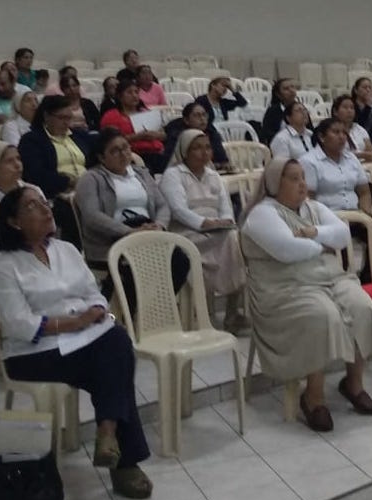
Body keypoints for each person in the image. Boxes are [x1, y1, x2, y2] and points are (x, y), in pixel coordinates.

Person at [0, 186, 152, 499]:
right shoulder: (4, 267)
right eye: (34, 205)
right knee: (115, 361)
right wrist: (73, 322)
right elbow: (19, 324)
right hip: (33, 353)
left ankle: (109, 436)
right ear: (14, 221)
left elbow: (93, 292)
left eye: (45, 202)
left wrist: (98, 310)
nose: (47, 209)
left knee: (116, 342)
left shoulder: (66, 250)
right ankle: (120, 454)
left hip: (81, 341)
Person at [239, 158, 372, 432]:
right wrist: (322, 244)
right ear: (274, 183)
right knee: (322, 314)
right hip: (283, 287)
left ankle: (353, 383)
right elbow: (288, 250)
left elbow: (341, 237)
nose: (302, 183)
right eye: (293, 178)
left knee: (361, 305)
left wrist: (313, 232)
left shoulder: (313, 208)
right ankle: (313, 396)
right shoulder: (263, 213)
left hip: (327, 277)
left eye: (303, 177)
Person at [75, 128, 189, 306]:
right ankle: (136, 311)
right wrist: (129, 232)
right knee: (140, 262)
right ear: (101, 157)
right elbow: (92, 216)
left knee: (181, 259)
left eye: (126, 148)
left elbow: (162, 205)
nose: (123, 154)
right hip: (113, 238)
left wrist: (159, 226)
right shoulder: (91, 178)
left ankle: (154, 306)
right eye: (115, 151)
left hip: (148, 232)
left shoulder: (141, 173)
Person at [159, 130, 246, 326]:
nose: (204, 152)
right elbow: (178, 209)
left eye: (207, 147)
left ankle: (232, 312)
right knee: (229, 241)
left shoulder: (213, 175)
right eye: (197, 148)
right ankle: (207, 316)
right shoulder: (174, 175)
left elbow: (225, 207)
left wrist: (224, 221)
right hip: (187, 231)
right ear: (184, 151)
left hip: (218, 231)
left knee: (236, 240)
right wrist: (205, 223)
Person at [300, 119, 372, 283]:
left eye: (344, 133)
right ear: (322, 137)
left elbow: (364, 191)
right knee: (339, 234)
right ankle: (340, 279)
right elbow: (309, 197)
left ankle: (368, 277)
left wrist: (366, 212)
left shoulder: (351, 158)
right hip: (329, 215)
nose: (342, 137)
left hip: (355, 214)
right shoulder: (309, 161)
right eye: (336, 132)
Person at [100, 79, 168, 175]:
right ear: (120, 96)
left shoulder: (147, 112)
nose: (134, 95)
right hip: (133, 155)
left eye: (136, 92)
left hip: (158, 153)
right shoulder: (111, 116)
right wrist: (138, 137)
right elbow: (109, 141)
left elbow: (164, 135)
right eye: (129, 92)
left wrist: (155, 135)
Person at [161, 103, 230, 170]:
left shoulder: (211, 133)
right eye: (197, 115)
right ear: (186, 120)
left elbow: (222, 160)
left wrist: (222, 164)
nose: (202, 118)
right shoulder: (177, 136)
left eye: (204, 115)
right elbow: (171, 162)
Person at [331, 95, 372, 163]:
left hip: (365, 166)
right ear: (335, 111)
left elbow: (371, 151)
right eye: (345, 107)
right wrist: (362, 155)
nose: (349, 111)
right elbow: (337, 153)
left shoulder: (359, 129)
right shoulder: (330, 130)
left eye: (352, 108)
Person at [261, 78, 298, 144]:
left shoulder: (301, 108)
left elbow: (309, 129)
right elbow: (266, 133)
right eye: (286, 89)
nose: (291, 90)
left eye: (292, 87)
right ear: (278, 94)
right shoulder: (272, 111)